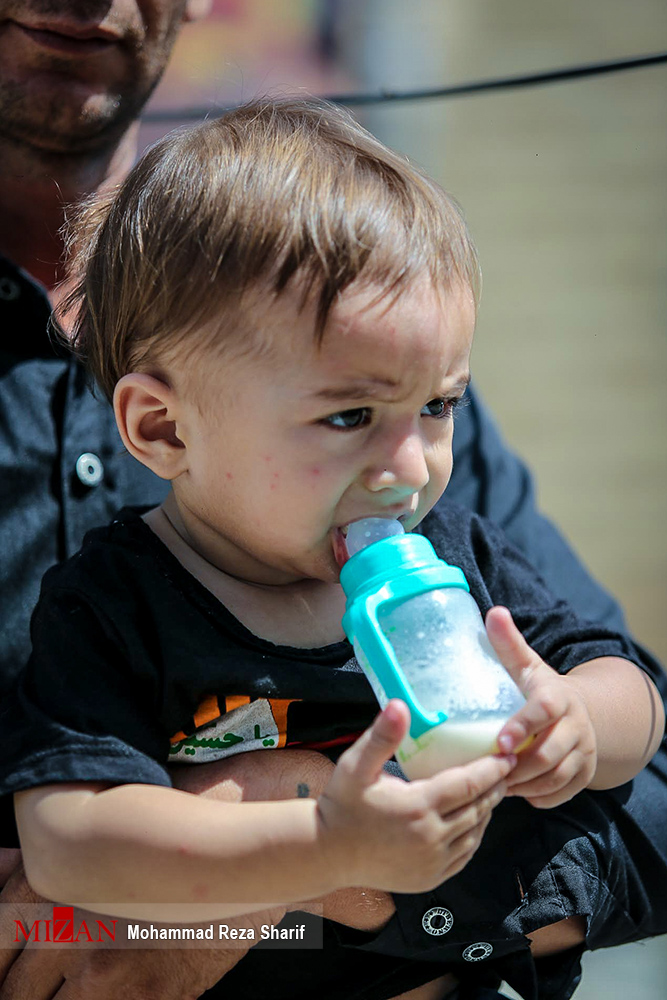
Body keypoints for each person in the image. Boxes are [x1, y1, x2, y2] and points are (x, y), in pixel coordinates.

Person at [0, 5, 665, 1000]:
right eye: (349, 416)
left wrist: (578, 722)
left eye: (439, 404)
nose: (407, 462)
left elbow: (630, 698)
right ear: (164, 431)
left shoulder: (454, 547)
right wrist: (316, 839)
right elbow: (69, 843)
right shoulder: (112, 603)